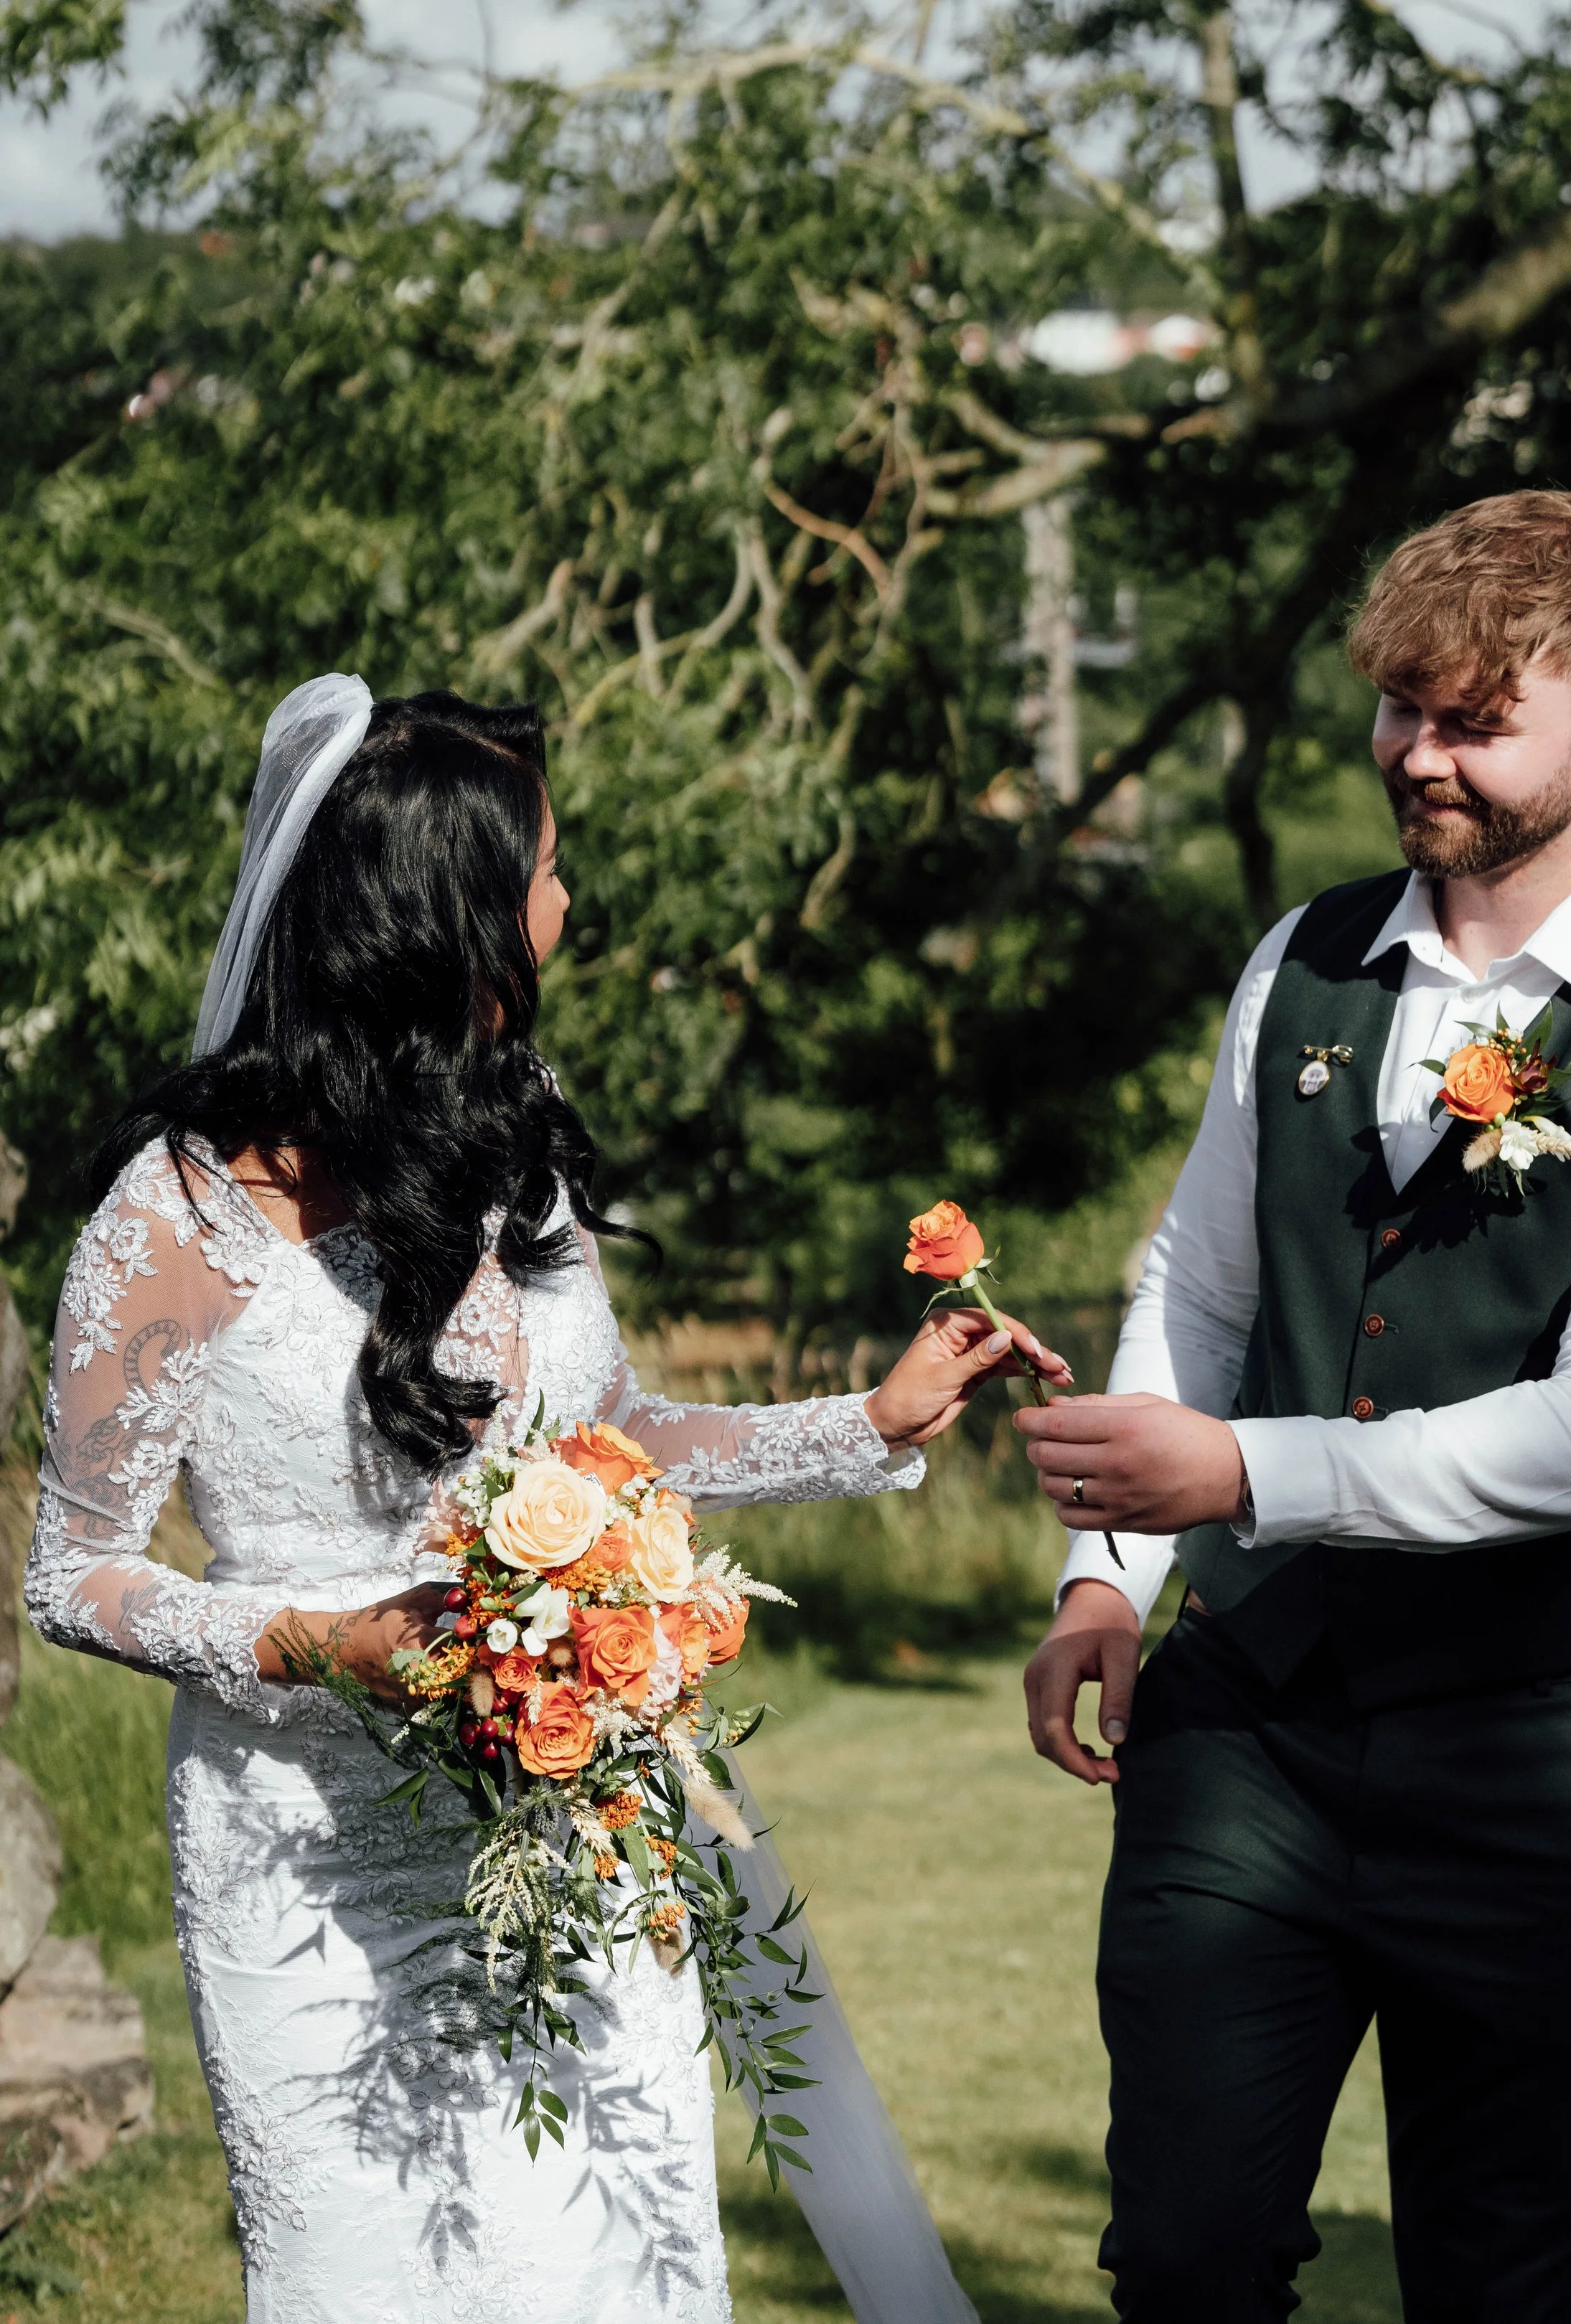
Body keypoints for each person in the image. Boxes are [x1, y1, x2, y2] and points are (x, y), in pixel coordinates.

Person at [27, 676, 1069, 2324]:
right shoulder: (177, 1218)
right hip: (316, 1866)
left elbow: (614, 1429)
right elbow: (72, 1573)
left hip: (585, 1837)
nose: (568, 905)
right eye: (545, 873)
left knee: (610, 2265)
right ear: (443, 916)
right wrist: (317, 1638)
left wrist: (868, 1418)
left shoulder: (515, 1147)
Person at [1016, 491, 1571, 2322]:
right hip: (1245, 1736)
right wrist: (1108, 1577)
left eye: (1468, 719)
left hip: (1541, 1759)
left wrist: (1237, 1470)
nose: (1415, 755)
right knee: (1184, 2260)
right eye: (1395, 711)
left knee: (1494, 2283)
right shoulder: (1299, 955)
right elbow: (1196, 1283)